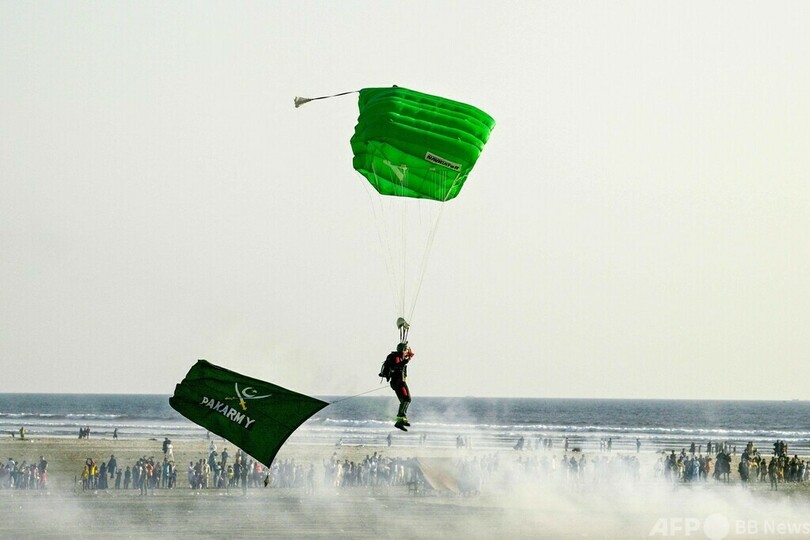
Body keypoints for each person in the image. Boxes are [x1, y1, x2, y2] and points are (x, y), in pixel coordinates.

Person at [381, 342, 414, 431]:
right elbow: (396, 366)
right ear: (403, 350)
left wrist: (406, 358)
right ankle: (400, 420)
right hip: (398, 383)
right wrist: (406, 360)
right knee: (407, 399)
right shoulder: (396, 357)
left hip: (398, 382)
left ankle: (401, 420)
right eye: (406, 350)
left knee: (404, 400)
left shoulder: (399, 356)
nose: (406, 352)